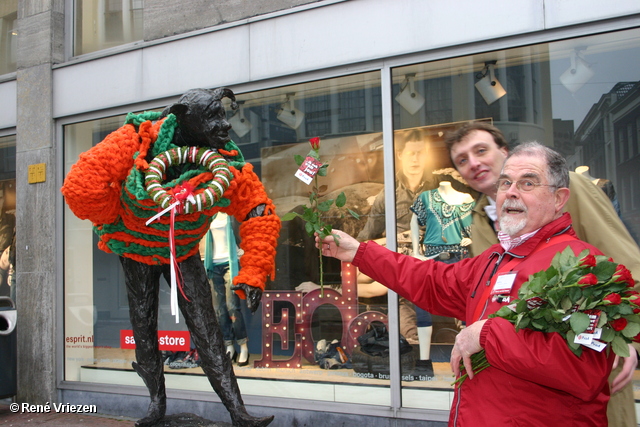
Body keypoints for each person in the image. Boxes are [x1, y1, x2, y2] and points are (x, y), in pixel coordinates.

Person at [317, 142, 615, 426]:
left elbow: (584, 370)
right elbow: (432, 281)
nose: (511, 192)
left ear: (559, 199)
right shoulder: (496, 259)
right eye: (505, 183)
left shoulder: (582, 265)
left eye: (527, 183)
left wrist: (487, 334)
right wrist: (359, 252)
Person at [445, 121, 640, 427]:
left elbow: (627, 268)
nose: (474, 163)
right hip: (513, 399)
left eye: (481, 150)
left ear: (505, 152)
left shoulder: (569, 191)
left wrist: (628, 339)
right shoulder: (480, 220)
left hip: (582, 380)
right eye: (462, 160)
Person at [356, 129, 436, 372]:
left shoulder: (438, 190)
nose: (415, 159)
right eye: (410, 153)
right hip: (400, 267)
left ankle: (416, 352)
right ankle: (413, 351)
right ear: (400, 155)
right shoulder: (388, 195)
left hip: (433, 262)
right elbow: (367, 235)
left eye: (420, 153)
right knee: (393, 291)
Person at [409, 181, 474, 374]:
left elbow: (472, 229)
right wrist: (415, 251)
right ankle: (423, 362)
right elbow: (414, 221)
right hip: (430, 257)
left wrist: (469, 239)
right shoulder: (426, 198)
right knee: (421, 304)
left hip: (458, 258)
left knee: (464, 308)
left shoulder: (465, 199)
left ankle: (465, 360)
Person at [203, 212, 250, 367]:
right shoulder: (208, 214)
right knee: (219, 309)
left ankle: (243, 346)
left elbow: (242, 235)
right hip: (213, 264)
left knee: (232, 307)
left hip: (231, 263)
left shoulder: (231, 214)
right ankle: (228, 344)